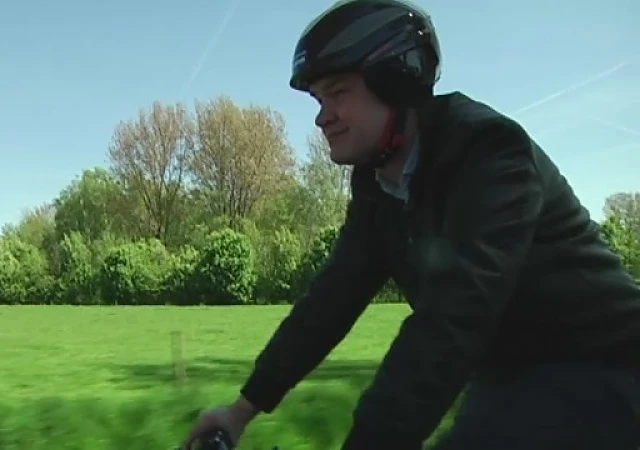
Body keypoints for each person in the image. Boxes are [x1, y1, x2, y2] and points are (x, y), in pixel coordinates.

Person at [181, 0, 640, 448]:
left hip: (603, 368)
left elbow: (454, 316)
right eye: (319, 99)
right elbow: (332, 299)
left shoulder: (490, 152)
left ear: (398, 81)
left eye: (339, 92)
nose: (322, 117)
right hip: (508, 375)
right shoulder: (378, 182)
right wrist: (242, 410)